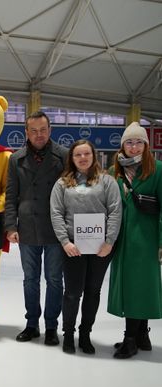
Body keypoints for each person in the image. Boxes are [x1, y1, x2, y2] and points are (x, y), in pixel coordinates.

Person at [50, 140, 121, 354]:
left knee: (93, 291)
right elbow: (56, 213)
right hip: (74, 248)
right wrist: (65, 242)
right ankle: (69, 334)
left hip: (101, 248)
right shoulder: (62, 184)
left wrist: (109, 241)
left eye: (86, 154)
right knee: (72, 292)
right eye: (78, 155)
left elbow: (115, 211)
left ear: (94, 155)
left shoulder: (107, 182)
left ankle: (85, 334)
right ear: (71, 158)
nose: (82, 158)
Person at [5, 111, 68, 346]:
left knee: (54, 279)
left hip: (56, 228)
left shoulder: (63, 156)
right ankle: (32, 324)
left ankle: (51, 326)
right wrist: (11, 226)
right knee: (30, 279)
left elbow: (71, 194)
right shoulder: (16, 159)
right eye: (34, 130)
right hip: (28, 228)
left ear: (50, 130)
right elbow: (11, 195)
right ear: (26, 133)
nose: (39, 135)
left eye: (43, 130)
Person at [108, 121, 162, 359]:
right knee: (135, 285)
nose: (134, 146)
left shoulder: (158, 170)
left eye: (139, 142)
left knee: (139, 287)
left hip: (146, 240)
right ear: (123, 146)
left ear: (146, 145)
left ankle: (130, 339)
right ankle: (142, 335)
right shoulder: (115, 171)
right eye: (129, 142)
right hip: (122, 240)